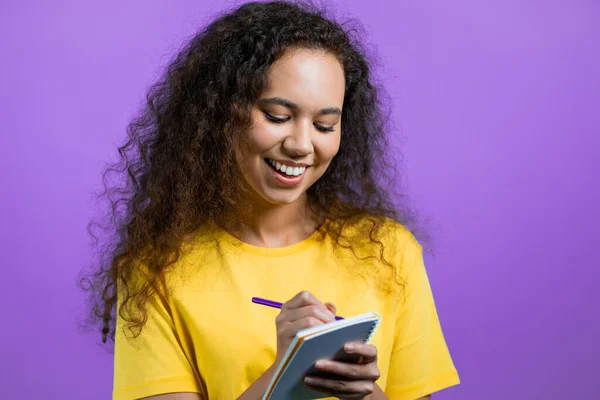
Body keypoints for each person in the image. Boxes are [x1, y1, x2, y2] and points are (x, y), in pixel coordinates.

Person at [82, 1, 460, 399]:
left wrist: (364, 393)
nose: (301, 145)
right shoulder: (155, 269)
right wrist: (287, 370)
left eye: (324, 125)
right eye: (278, 116)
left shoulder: (388, 250)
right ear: (220, 114)